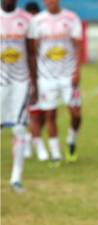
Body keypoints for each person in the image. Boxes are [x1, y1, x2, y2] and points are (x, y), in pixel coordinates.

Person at [28, 0, 83, 164]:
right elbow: (31, 49)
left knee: (76, 113)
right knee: (50, 114)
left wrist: (77, 71)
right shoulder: (37, 21)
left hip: (68, 75)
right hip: (46, 77)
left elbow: (78, 46)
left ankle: (71, 139)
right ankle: (55, 154)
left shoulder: (71, 18)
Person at [1, 0, 37, 193]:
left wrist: (35, 84)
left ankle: (16, 178)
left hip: (20, 83)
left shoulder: (26, 19)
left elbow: (31, 54)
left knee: (20, 129)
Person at [23, 1, 49, 161]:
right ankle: (39, 145)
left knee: (46, 113)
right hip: (28, 77)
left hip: (46, 76)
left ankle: (28, 138)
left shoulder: (41, 30)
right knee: (33, 112)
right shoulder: (23, 33)